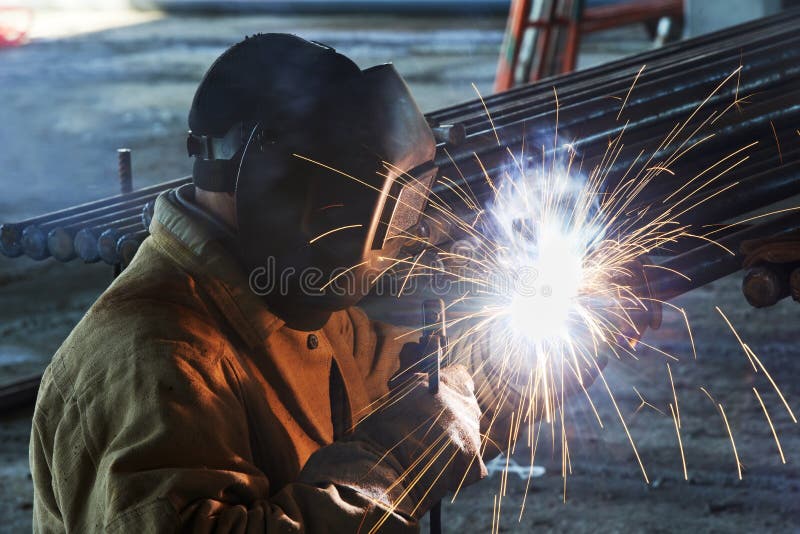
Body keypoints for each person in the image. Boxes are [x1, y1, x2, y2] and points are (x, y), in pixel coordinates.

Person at [29, 34, 657, 533]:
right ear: (291, 187)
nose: (383, 250)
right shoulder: (158, 358)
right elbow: (413, 437)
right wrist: (407, 452)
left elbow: (432, 397)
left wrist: (521, 373)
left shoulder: (294, 301)